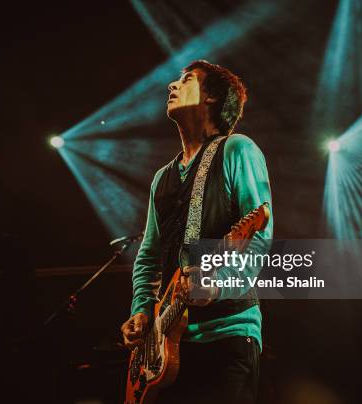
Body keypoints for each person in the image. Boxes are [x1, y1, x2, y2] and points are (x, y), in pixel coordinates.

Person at [120, 60, 273, 403]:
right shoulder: (162, 178)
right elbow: (148, 256)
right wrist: (142, 310)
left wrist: (218, 284)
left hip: (227, 334)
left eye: (186, 80)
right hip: (166, 349)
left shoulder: (238, 149)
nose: (171, 87)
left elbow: (259, 239)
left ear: (212, 98)